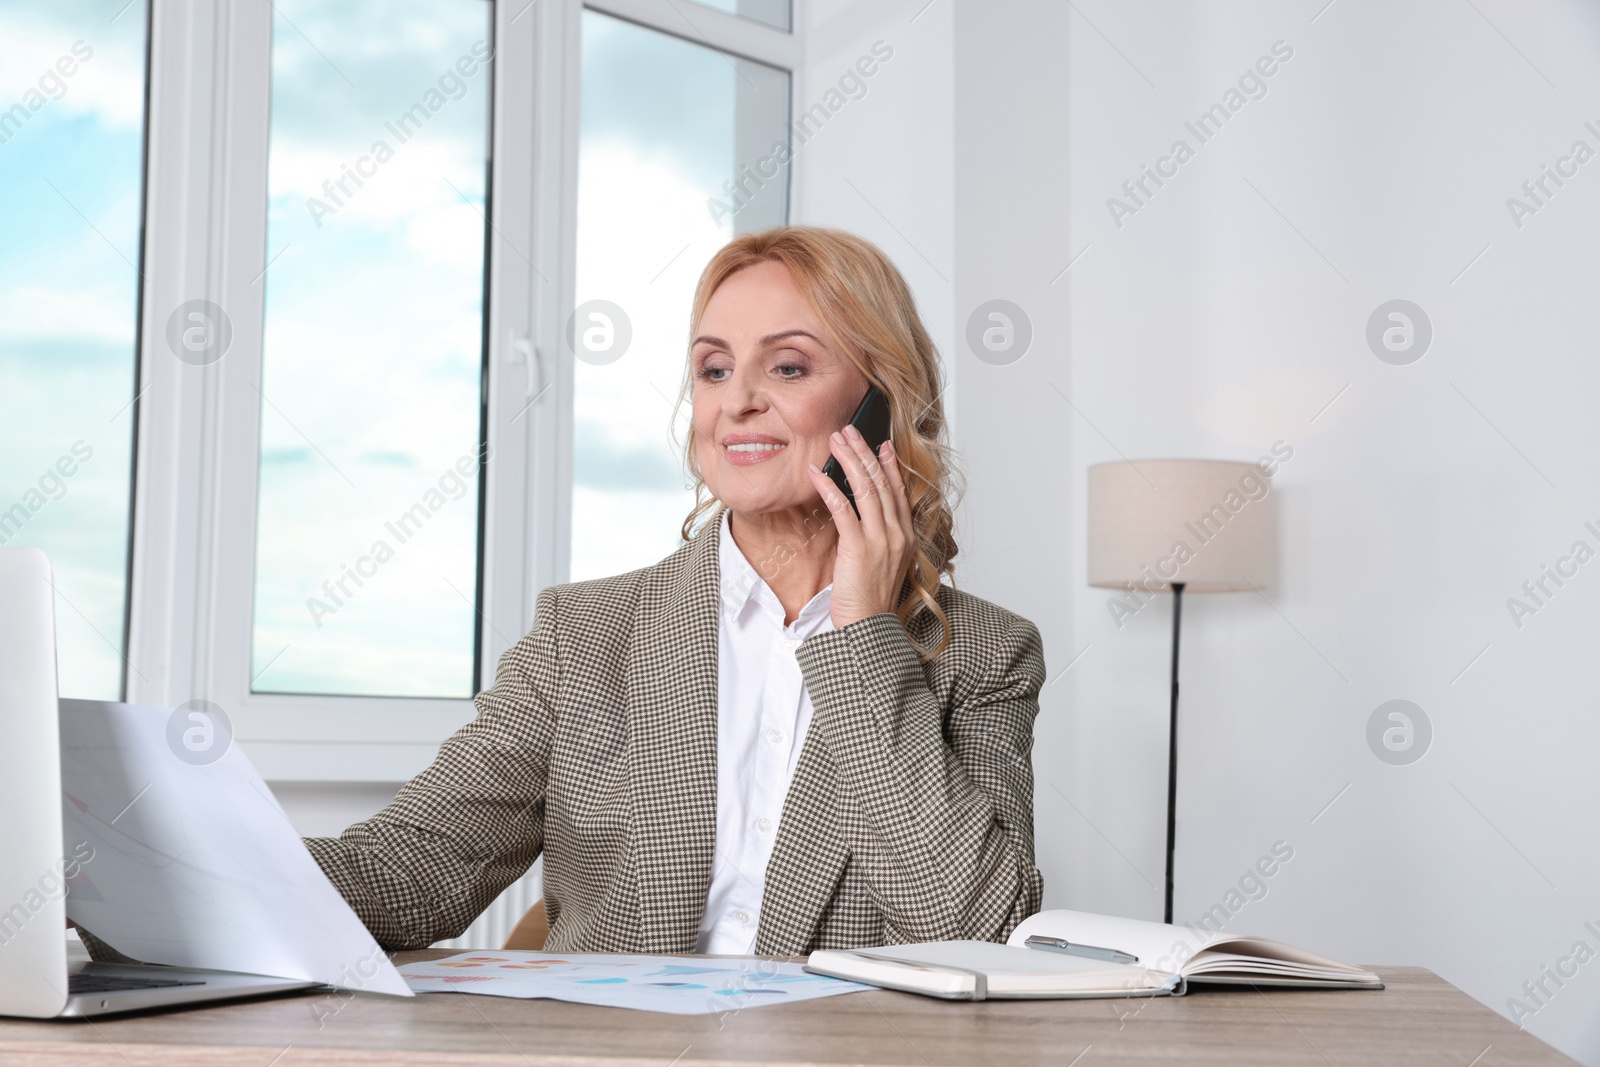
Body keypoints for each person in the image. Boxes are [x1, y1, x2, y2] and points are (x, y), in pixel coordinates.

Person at [305, 226, 1047, 955]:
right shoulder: (583, 630)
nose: (739, 401)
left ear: (880, 402)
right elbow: (415, 866)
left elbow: (975, 930)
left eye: (788, 368)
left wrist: (862, 638)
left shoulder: (985, 653)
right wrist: (204, 865)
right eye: (714, 369)